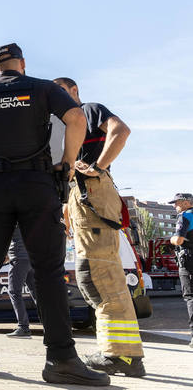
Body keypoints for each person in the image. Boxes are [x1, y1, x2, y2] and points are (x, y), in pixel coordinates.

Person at [0, 43, 108, 386]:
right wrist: (67, 164)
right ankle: (60, 359)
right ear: (22, 64)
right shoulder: (42, 87)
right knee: (47, 270)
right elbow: (76, 118)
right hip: (37, 185)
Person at [55, 77, 145, 377]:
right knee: (94, 278)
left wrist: (99, 166)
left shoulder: (89, 110)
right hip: (85, 199)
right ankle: (122, 353)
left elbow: (121, 131)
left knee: (100, 278)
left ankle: (124, 356)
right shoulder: (72, 125)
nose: (58, 100)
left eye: (62, 93)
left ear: (75, 91)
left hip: (94, 193)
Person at [168, 193, 193, 349]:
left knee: (191, 297)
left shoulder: (185, 216)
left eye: (176, 203)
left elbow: (178, 240)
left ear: (186, 203)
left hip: (189, 262)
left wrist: (171, 239)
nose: (174, 206)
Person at [6, 226, 37, 338]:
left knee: (14, 291)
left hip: (19, 257)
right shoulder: (27, 215)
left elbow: (5, 237)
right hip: (31, 257)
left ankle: (23, 327)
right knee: (36, 292)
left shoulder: (12, 217)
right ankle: (50, 325)